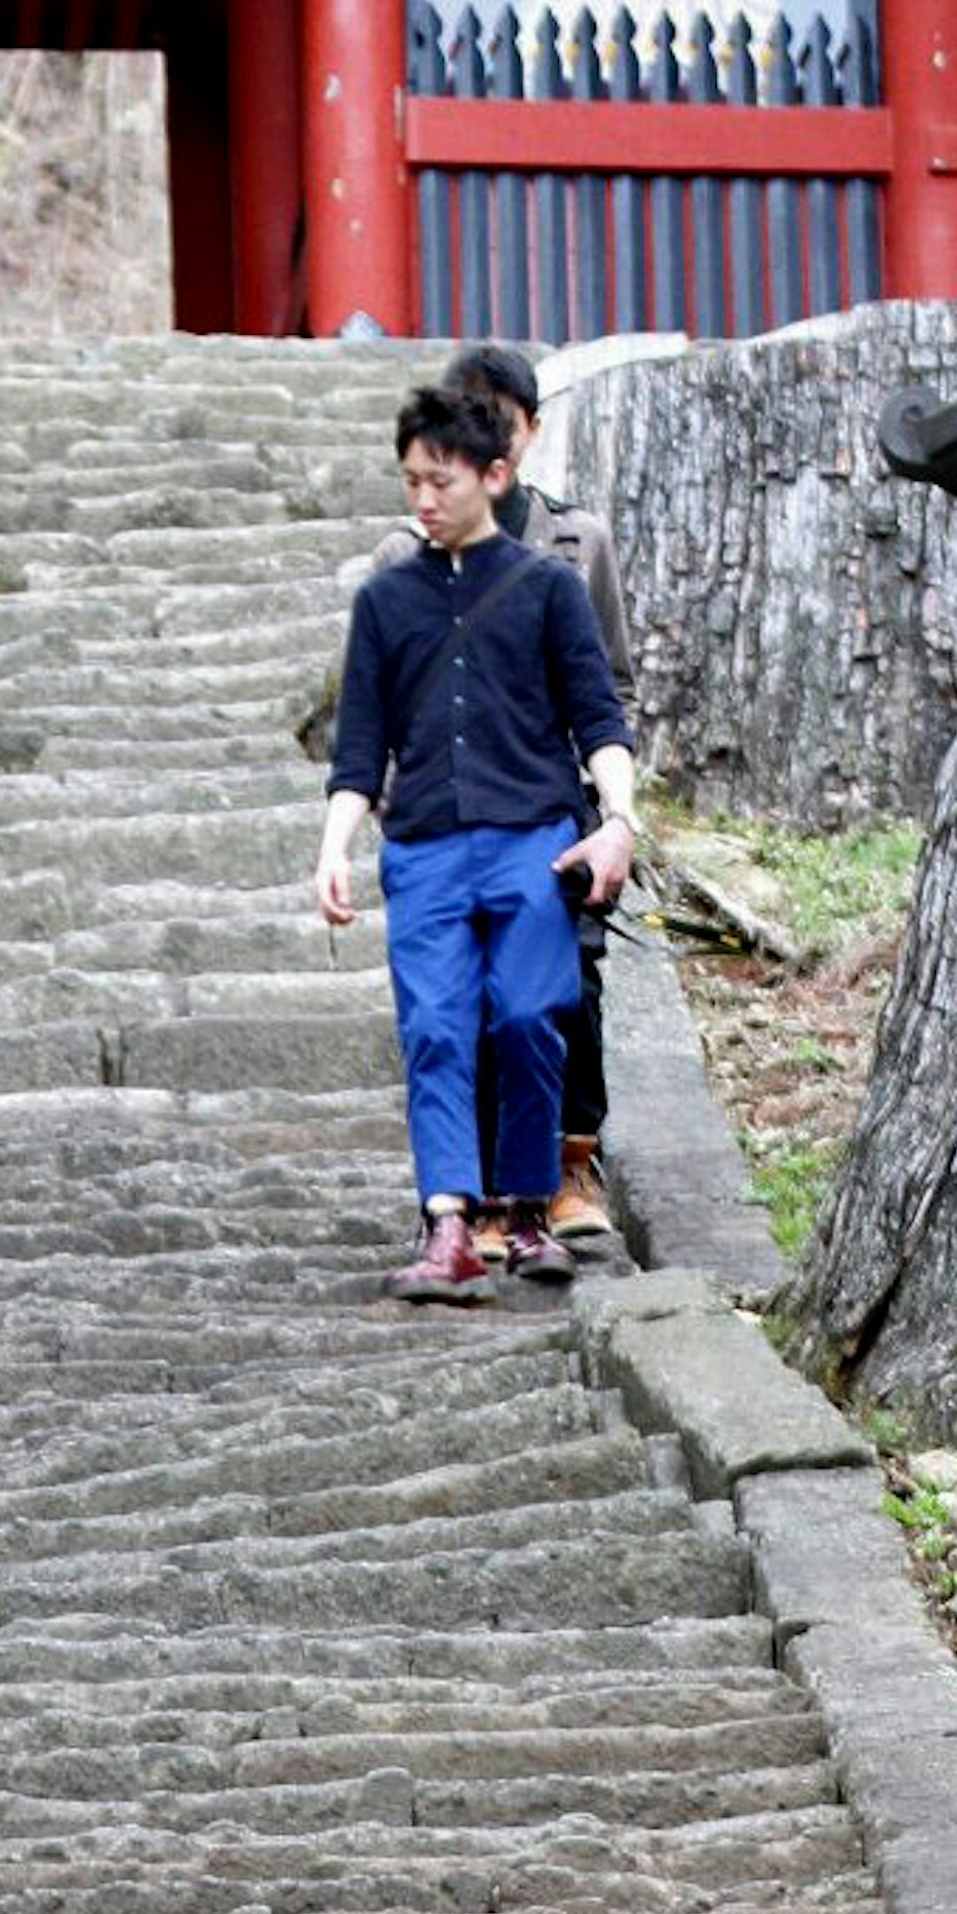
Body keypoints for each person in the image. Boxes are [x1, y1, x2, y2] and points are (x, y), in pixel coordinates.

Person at [315, 378, 638, 1302]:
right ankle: (449, 1223)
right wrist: (335, 846)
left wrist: (617, 823)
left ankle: (529, 1204)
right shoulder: (384, 601)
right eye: (411, 480)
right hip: (422, 847)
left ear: (495, 476)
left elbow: (600, 719)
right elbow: (359, 748)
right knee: (437, 1027)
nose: (423, 498)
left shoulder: (547, 589)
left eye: (442, 480)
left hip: (533, 837)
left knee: (533, 1015)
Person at [455, 343, 639, 1252]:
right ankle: (492, 1183)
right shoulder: (412, 553)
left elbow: (613, 685)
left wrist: (613, 807)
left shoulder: (579, 542)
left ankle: (572, 1163)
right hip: (461, 813)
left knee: (574, 976)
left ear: (531, 430)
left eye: (503, 415)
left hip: (561, 804)